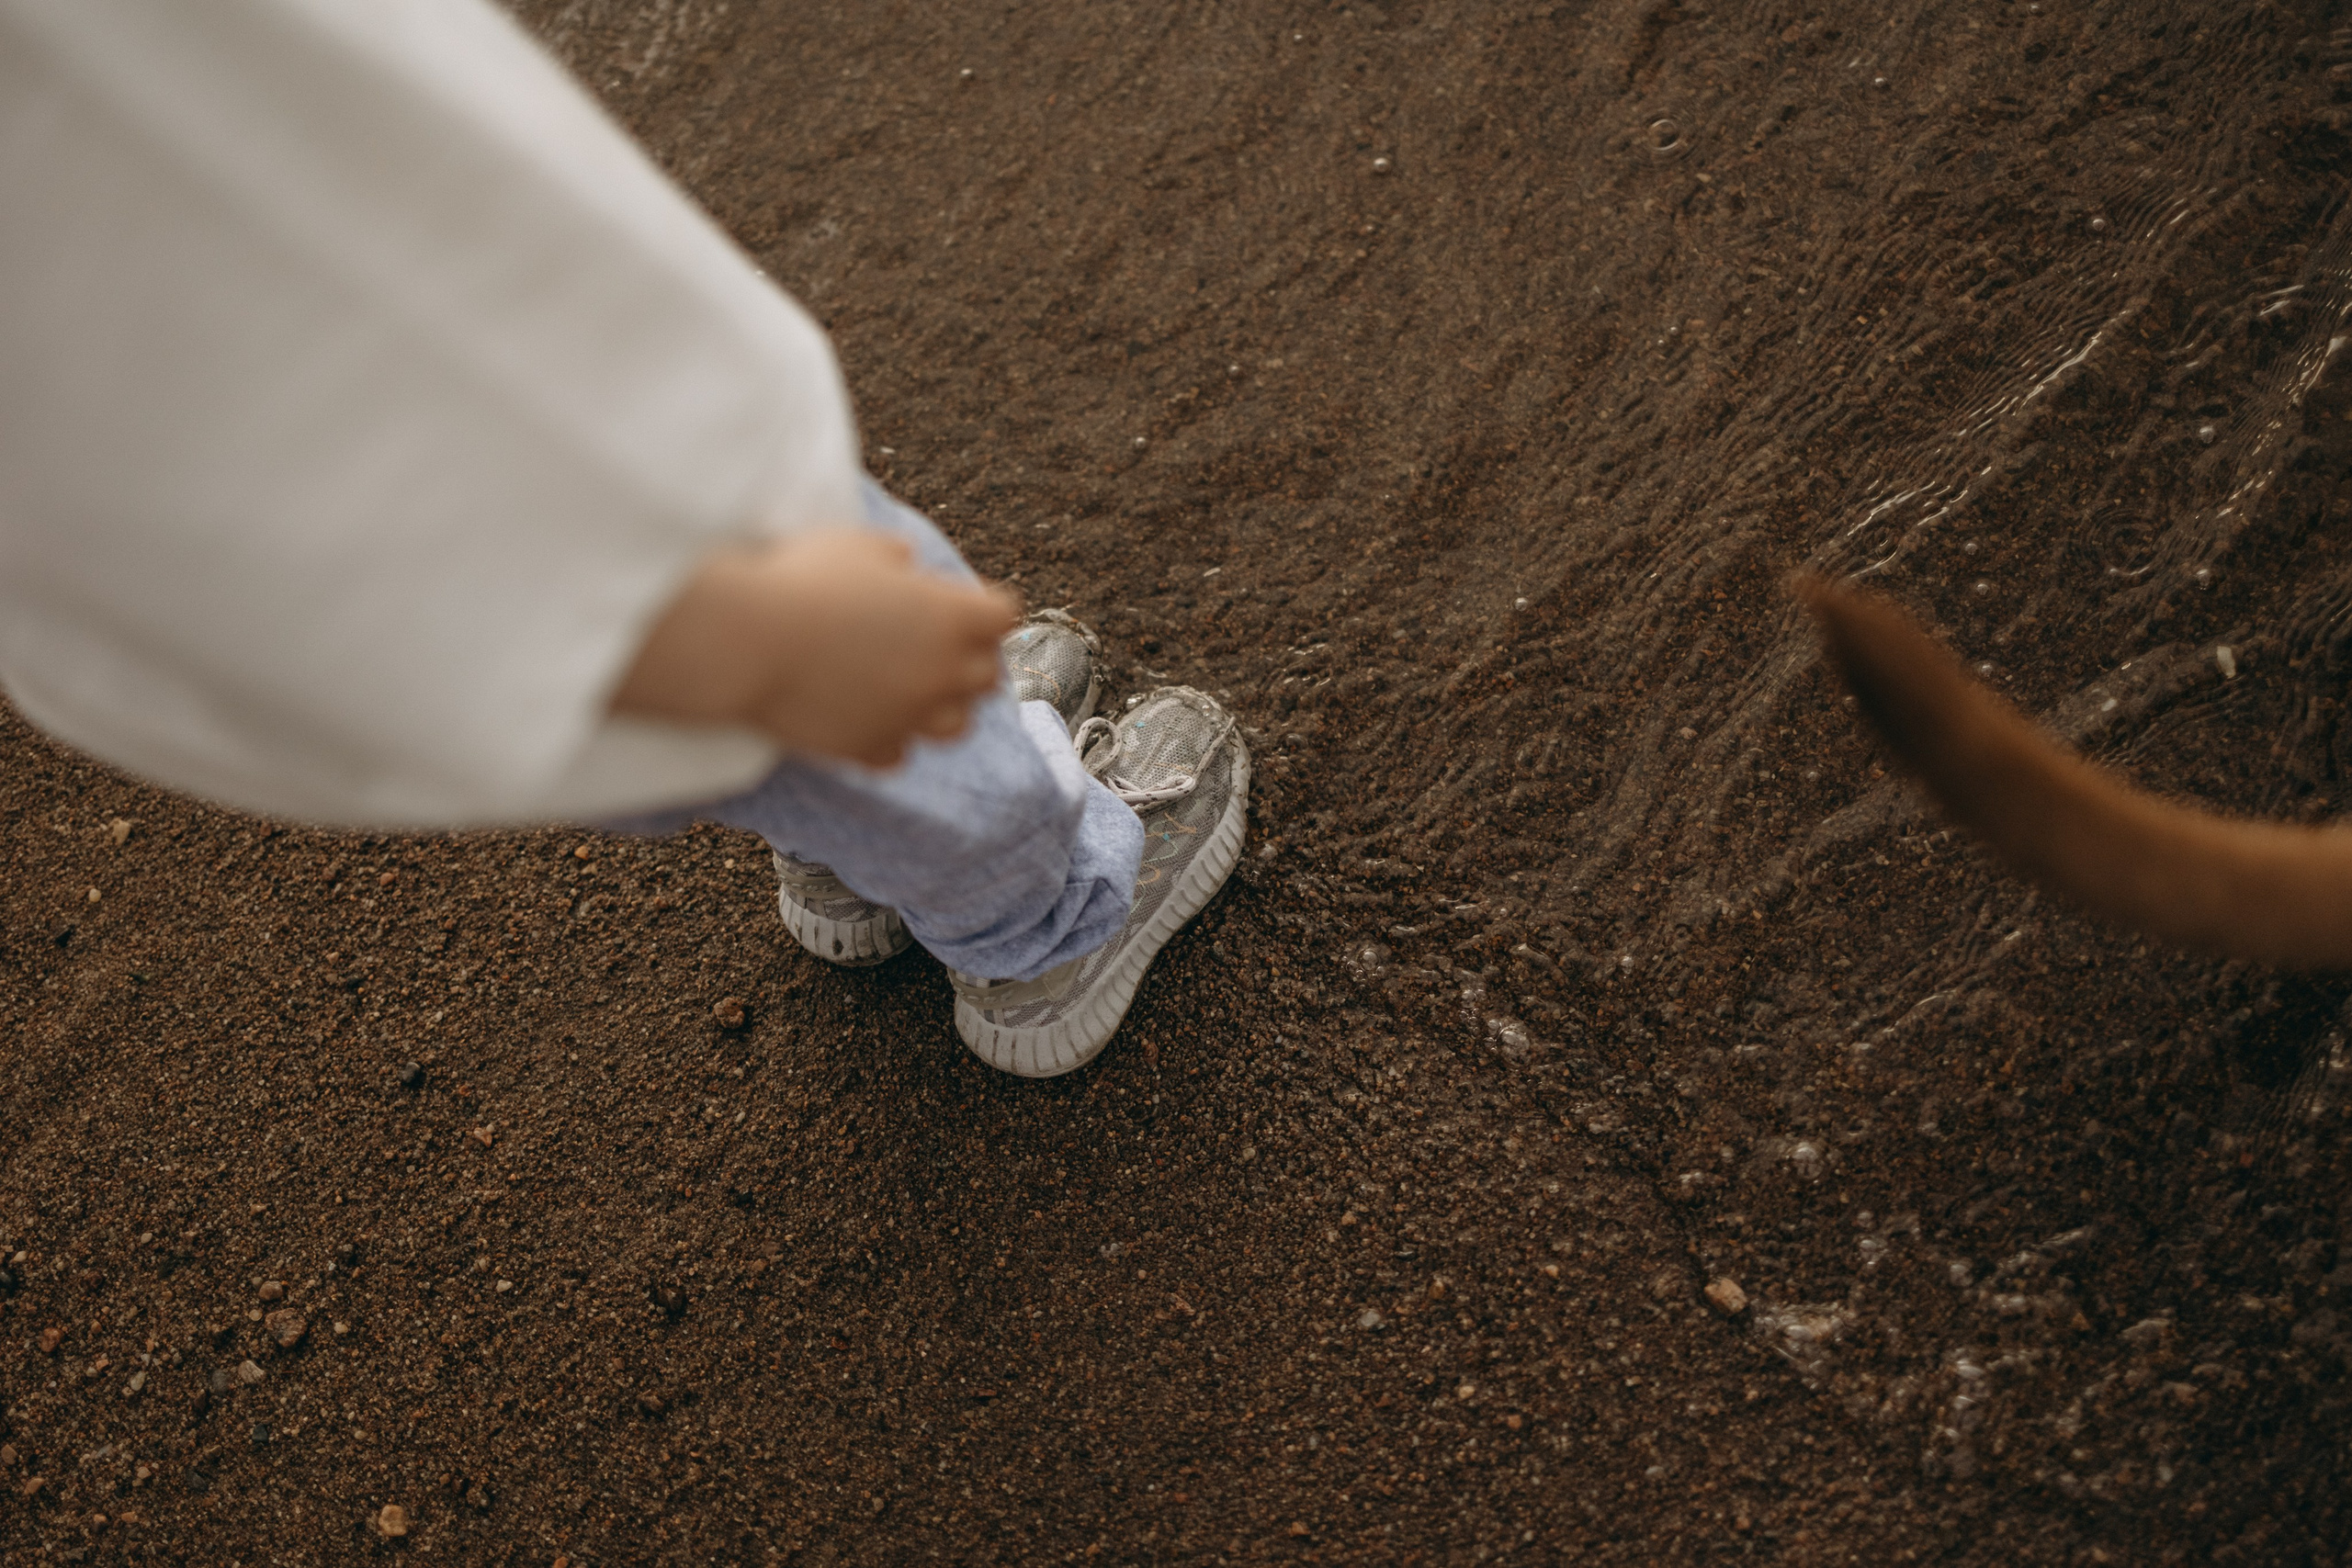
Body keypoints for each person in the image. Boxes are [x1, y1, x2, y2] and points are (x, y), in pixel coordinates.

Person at [0, 0, 1249, 1077]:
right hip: (573, 502)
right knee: (867, 684)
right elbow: (219, 497)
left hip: (503, 465)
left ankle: (856, 869)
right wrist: (728, 643)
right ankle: (1040, 932)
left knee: (766, 732)